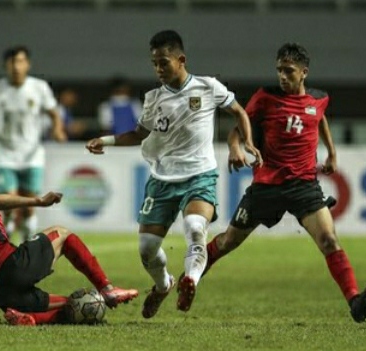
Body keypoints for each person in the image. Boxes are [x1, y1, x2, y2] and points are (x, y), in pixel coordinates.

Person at [86, 30, 261, 318]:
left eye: (164, 62)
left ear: (181, 60)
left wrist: (242, 144)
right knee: (147, 248)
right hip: (162, 179)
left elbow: (241, 113)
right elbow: (138, 134)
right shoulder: (153, 98)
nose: (158, 69)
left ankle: (190, 279)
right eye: (154, 64)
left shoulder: (208, 87)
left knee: (195, 228)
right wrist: (105, 141)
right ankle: (163, 284)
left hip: (200, 175)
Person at [202, 43, 366, 323]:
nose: (282, 76)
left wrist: (332, 152)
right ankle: (190, 278)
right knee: (227, 241)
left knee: (329, 240)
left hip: (303, 186)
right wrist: (235, 148)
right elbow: (239, 128)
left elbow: (319, 118)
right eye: (279, 70)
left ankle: (355, 300)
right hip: (267, 186)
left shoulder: (319, 99)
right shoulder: (265, 98)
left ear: (304, 72)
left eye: (289, 71)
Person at [0, 171, 138, 326]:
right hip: (11, 267)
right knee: (62, 233)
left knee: (79, 306)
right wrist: (39, 201)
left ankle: (28, 317)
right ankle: (107, 288)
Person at [0, 46, 67, 243]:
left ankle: (26, 243)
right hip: (4, 153)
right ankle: (5, 244)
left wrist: (58, 129)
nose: (16, 67)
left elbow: (54, 113)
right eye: (12, 62)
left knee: (29, 204)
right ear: (5, 65)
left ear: (27, 64)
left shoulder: (39, 87)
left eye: (20, 61)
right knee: (9, 200)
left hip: (32, 154)